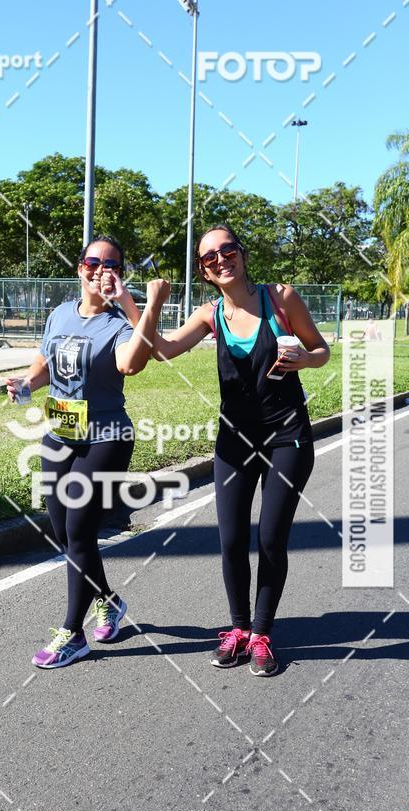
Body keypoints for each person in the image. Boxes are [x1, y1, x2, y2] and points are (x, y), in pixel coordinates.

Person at [151, 224, 330, 676]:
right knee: (231, 539)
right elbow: (163, 351)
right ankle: (239, 629)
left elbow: (321, 350)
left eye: (226, 250)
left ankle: (263, 634)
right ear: (204, 271)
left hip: (287, 434)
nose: (220, 260)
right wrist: (146, 303)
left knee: (270, 538)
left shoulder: (281, 298)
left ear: (242, 254)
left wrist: (303, 360)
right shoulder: (210, 315)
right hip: (235, 440)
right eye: (209, 258)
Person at [7, 236, 169, 669]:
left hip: (106, 437)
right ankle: (109, 601)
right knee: (64, 534)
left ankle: (73, 634)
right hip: (60, 431)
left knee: (79, 530)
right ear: (80, 267)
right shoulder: (60, 313)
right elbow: (45, 365)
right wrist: (25, 385)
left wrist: (144, 307)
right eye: (93, 261)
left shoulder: (119, 321)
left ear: (119, 273)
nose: (101, 269)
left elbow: (132, 363)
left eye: (111, 263)